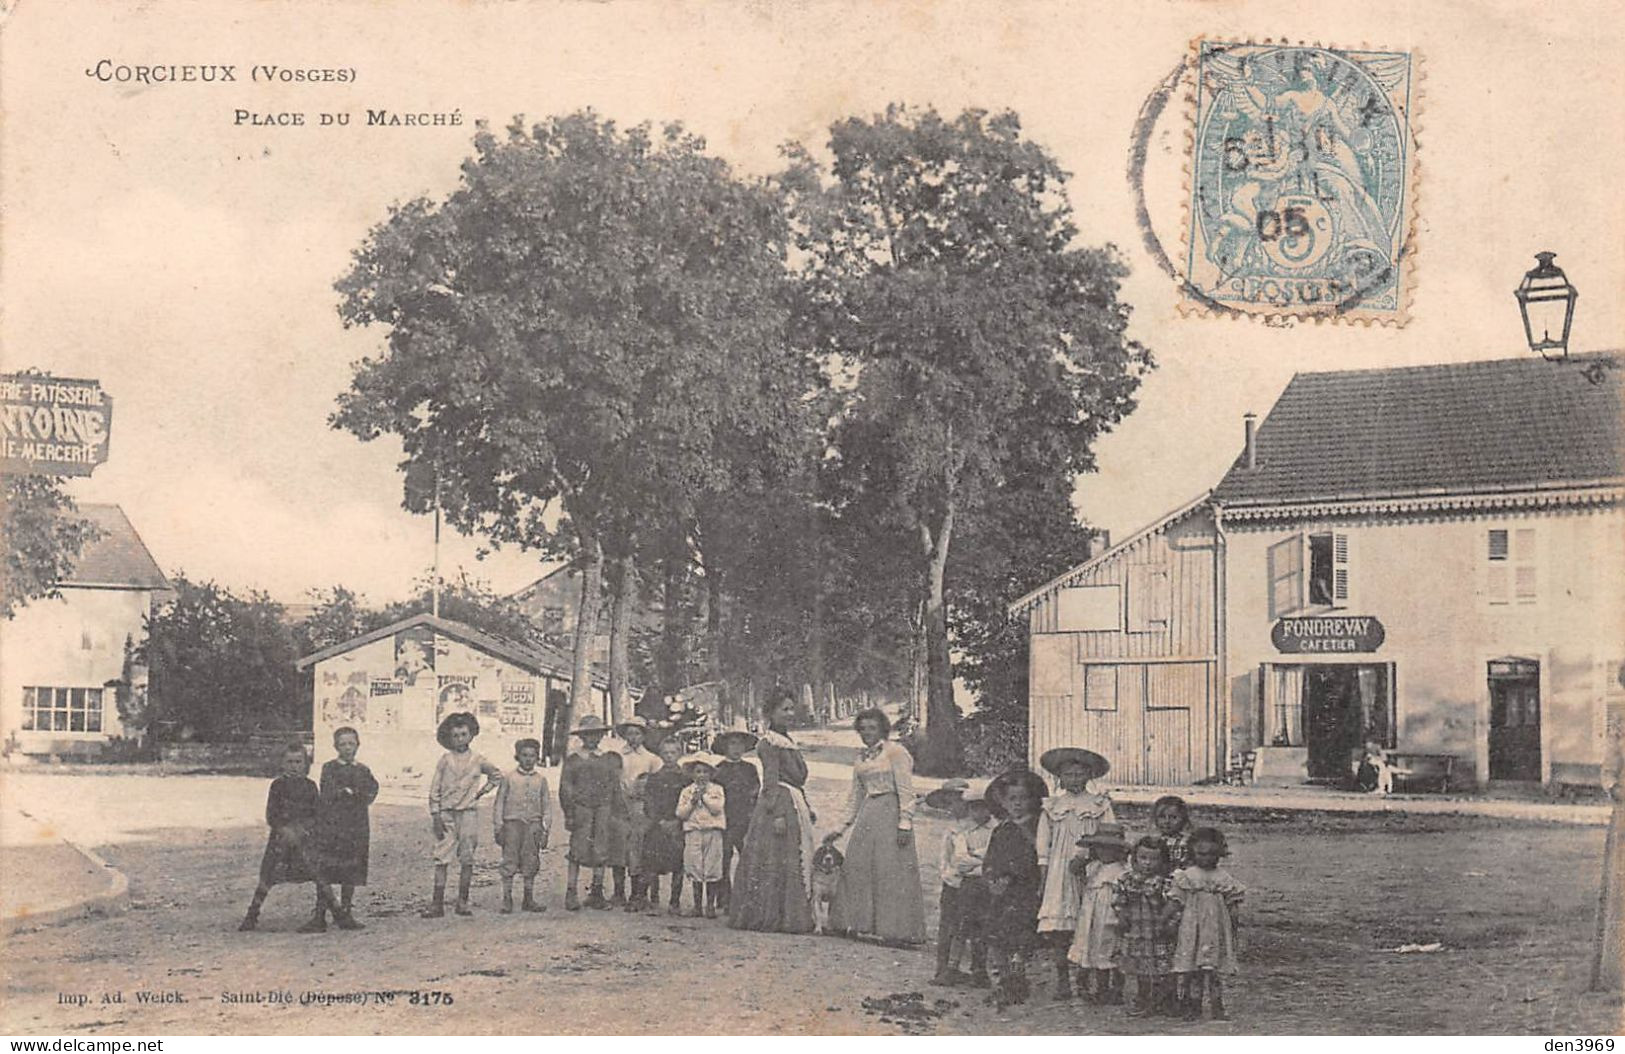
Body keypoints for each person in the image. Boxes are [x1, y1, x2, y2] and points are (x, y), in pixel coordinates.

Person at [824, 708, 926, 945]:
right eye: (863, 729)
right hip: (869, 815)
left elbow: (906, 790)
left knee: (889, 870)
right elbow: (855, 796)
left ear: (882, 729)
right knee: (857, 866)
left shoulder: (896, 752)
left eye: (873, 728)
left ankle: (895, 930)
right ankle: (855, 923)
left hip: (891, 813)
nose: (867, 733)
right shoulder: (861, 758)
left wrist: (905, 822)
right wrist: (840, 827)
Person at [729, 690, 816, 934]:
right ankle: (772, 916)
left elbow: (797, 780)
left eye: (791, 709)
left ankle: (786, 913)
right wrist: (776, 812)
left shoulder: (786, 740)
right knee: (775, 857)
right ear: (770, 713)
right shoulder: (769, 742)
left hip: (792, 800)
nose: (789, 713)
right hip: (779, 802)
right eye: (784, 709)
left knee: (792, 857)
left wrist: (806, 805)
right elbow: (770, 780)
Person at [1035, 747, 1115, 999]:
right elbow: (1043, 844)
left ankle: (1085, 978)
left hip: (1092, 869)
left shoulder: (1099, 805)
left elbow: (1110, 836)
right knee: (1061, 927)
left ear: (1089, 776)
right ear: (1059, 777)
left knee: (1091, 922)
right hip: (1060, 872)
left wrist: (1090, 858)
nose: (1074, 779)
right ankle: (1063, 980)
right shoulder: (1052, 806)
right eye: (1068, 774)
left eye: (1079, 774)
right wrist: (1044, 874)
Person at [239, 743, 343, 932]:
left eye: (298, 762)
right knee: (268, 877)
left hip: (305, 839)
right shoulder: (277, 785)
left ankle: (331, 913)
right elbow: (271, 814)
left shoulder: (311, 786)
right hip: (282, 839)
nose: (294, 766)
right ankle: (252, 914)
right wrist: (284, 830)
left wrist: (306, 829)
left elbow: (316, 813)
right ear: (282, 764)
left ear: (306, 764)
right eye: (290, 762)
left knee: (320, 875)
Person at [423, 712, 503, 918]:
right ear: (449, 738)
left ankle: (462, 901)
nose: (459, 739)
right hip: (447, 814)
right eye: (455, 735)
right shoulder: (445, 760)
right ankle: (437, 903)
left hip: (468, 814)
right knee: (441, 857)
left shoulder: (478, 760)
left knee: (467, 857)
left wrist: (482, 792)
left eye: (463, 734)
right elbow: (435, 789)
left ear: (471, 735)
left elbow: (496, 775)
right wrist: (435, 814)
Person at [981, 768, 1047, 1008]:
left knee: (1020, 937)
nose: (1018, 804)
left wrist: (1014, 877)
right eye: (1012, 799)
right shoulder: (1001, 829)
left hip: (1024, 892)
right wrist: (991, 878)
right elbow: (990, 858)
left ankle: (1018, 982)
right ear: (1004, 802)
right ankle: (1003, 981)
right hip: (1000, 894)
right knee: (997, 937)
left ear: (1032, 801)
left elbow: (1037, 858)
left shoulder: (1037, 829)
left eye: (1023, 799)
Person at [1170, 826, 1246, 1021]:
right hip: (1192, 928)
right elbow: (1176, 901)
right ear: (1193, 852)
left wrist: (1234, 923)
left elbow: (1233, 903)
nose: (1206, 858)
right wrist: (1167, 920)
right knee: (1194, 970)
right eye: (1201, 854)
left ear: (1220, 853)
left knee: (1213, 970)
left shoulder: (1223, 877)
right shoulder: (1187, 876)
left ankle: (1217, 1005)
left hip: (1215, 929)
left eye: (1212, 854)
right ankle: (1193, 1005)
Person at [557, 714, 629, 911]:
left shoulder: (606, 759)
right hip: (582, 809)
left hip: (603, 809)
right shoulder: (574, 760)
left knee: (601, 847)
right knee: (578, 849)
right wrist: (569, 813)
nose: (593, 739)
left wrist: (618, 810)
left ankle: (596, 891)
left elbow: (614, 786)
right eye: (588, 735)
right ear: (581, 737)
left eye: (597, 735)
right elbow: (566, 788)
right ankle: (571, 891)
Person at [927, 781, 995, 987]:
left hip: (977, 883)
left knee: (978, 927)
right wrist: (949, 873)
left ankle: (977, 970)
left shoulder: (980, 827)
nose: (952, 808)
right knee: (949, 926)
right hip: (954, 882)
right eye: (947, 804)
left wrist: (972, 864)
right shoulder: (953, 830)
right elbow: (949, 859)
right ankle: (944, 968)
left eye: (955, 802)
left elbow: (990, 857)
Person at [313, 726, 378, 931]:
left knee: (351, 868)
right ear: (335, 746)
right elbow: (330, 793)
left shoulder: (363, 770)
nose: (347, 748)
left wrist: (354, 793)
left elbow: (371, 790)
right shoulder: (330, 768)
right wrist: (350, 793)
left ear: (358, 745)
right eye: (342, 744)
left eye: (351, 743)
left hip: (356, 827)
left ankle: (346, 913)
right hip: (333, 826)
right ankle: (320, 914)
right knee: (326, 868)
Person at [1113, 836, 1178, 1017]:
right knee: (1140, 968)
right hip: (1136, 932)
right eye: (1143, 858)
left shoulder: (1165, 883)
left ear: (1163, 861)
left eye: (1154, 859)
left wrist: (1170, 924)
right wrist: (1122, 916)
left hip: (1158, 932)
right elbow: (1119, 902)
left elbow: (1173, 906)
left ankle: (1161, 1000)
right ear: (1135, 859)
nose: (1148, 863)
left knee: (1161, 967)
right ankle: (1142, 998)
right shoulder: (1127, 880)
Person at [1068, 821, 1129, 1004]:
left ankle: (1113, 990)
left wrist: (1122, 914)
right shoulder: (1093, 867)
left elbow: (1125, 894)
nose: (1104, 852)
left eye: (1110, 849)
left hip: (1110, 913)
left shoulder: (1122, 871)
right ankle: (1089, 986)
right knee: (1091, 947)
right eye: (1100, 847)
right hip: (1091, 914)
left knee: (1111, 950)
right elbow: (1074, 869)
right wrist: (1084, 853)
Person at [493, 737, 551, 914]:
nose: (528, 759)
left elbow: (546, 805)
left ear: (537, 758)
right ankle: (507, 898)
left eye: (532, 756)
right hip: (512, 824)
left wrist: (545, 828)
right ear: (517, 756)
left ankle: (528, 898)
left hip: (533, 825)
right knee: (509, 859)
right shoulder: (509, 778)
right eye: (524, 755)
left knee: (530, 860)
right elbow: (499, 803)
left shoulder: (541, 780)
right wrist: (498, 825)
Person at [615, 716, 663, 910]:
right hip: (621, 805)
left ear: (643, 736)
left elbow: (657, 785)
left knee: (638, 848)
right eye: (630, 733)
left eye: (637, 733)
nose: (633, 737)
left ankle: (638, 893)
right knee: (620, 847)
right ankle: (619, 892)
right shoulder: (618, 756)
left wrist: (644, 793)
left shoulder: (651, 759)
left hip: (641, 808)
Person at [711, 730, 760, 913]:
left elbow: (756, 792)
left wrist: (753, 815)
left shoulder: (750, 769)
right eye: (732, 744)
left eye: (740, 744)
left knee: (748, 858)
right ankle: (725, 899)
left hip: (745, 819)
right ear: (725, 747)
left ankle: (747, 898)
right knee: (723, 858)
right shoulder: (718, 770)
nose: (736, 748)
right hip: (724, 820)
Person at [640, 735, 690, 914]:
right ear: (660, 755)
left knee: (678, 863)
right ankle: (653, 898)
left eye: (673, 752)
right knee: (653, 861)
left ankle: (674, 901)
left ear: (680, 754)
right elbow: (649, 802)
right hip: (658, 824)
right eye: (666, 753)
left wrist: (677, 821)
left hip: (677, 824)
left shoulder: (686, 778)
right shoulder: (655, 778)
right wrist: (659, 821)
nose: (669, 756)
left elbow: (689, 802)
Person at [677, 753, 727, 917]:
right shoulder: (686, 791)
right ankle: (697, 905)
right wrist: (692, 801)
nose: (702, 776)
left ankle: (710, 905)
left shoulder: (716, 790)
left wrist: (703, 797)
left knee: (712, 868)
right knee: (695, 867)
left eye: (705, 772)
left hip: (713, 832)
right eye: (698, 772)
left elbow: (716, 808)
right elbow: (681, 814)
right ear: (692, 774)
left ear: (711, 774)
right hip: (694, 832)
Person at [1150, 795, 1194, 871]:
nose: (1167, 822)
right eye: (1162, 817)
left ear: (1183, 819)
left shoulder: (1187, 843)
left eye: (1173, 817)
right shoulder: (1153, 841)